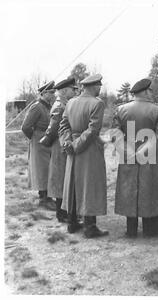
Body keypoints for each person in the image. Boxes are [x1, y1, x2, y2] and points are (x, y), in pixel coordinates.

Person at [111, 78, 158, 238]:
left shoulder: (120, 109)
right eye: (150, 90)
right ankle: (151, 230)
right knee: (150, 189)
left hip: (128, 155)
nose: (152, 93)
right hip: (150, 156)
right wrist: (143, 151)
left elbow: (115, 134)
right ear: (145, 91)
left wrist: (129, 152)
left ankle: (131, 230)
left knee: (129, 189)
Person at [59, 74, 109, 238]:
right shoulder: (97, 103)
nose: (99, 89)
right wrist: (75, 146)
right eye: (99, 87)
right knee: (89, 185)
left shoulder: (71, 102)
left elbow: (64, 125)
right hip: (88, 149)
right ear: (94, 87)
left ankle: (72, 223)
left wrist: (67, 143)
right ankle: (90, 227)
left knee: (73, 183)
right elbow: (93, 129)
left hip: (72, 149)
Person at [39, 77, 78, 223]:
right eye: (73, 90)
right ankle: (62, 213)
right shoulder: (60, 106)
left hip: (62, 143)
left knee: (63, 178)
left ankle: (64, 211)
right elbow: (53, 128)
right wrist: (47, 140)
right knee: (61, 179)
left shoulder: (63, 104)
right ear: (65, 90)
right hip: (60, 145)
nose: (75, 92)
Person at [21, 81, 56, 210]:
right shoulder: (37, 106)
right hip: (39, 143)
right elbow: (25, 127)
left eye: (54, 92)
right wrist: (35, 138)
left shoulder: (48, 106)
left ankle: (48, 197)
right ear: (43, 93)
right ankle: (44, 198)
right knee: (41, 170)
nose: (53, 94)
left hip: (48, 142)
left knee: (48, 170)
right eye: (51, 92)